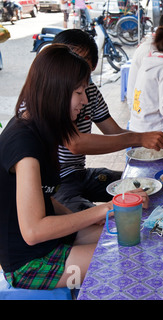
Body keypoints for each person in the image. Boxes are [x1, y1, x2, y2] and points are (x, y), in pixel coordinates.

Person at [0, 45, 138, 290]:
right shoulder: (24, 143)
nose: (84, 101)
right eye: (78, 93)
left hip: (51, 241)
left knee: (132, 235)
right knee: (127, 261)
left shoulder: (43, 127)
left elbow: (45, 198)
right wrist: (101, 210)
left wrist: (84, 219)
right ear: (56, 93)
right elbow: (33, 230)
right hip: (30, 263)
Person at [51, 29, 163, 213]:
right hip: (57, 182)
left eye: (79, 61)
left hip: (79, 173)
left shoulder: (91, 92)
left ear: (93, 65)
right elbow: (75, 143)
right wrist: (139, 139)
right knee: (98, 222)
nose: (72, 67)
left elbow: (113, 131)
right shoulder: (53, 92)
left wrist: (159, 138)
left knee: (149, 187)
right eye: (67, 59)